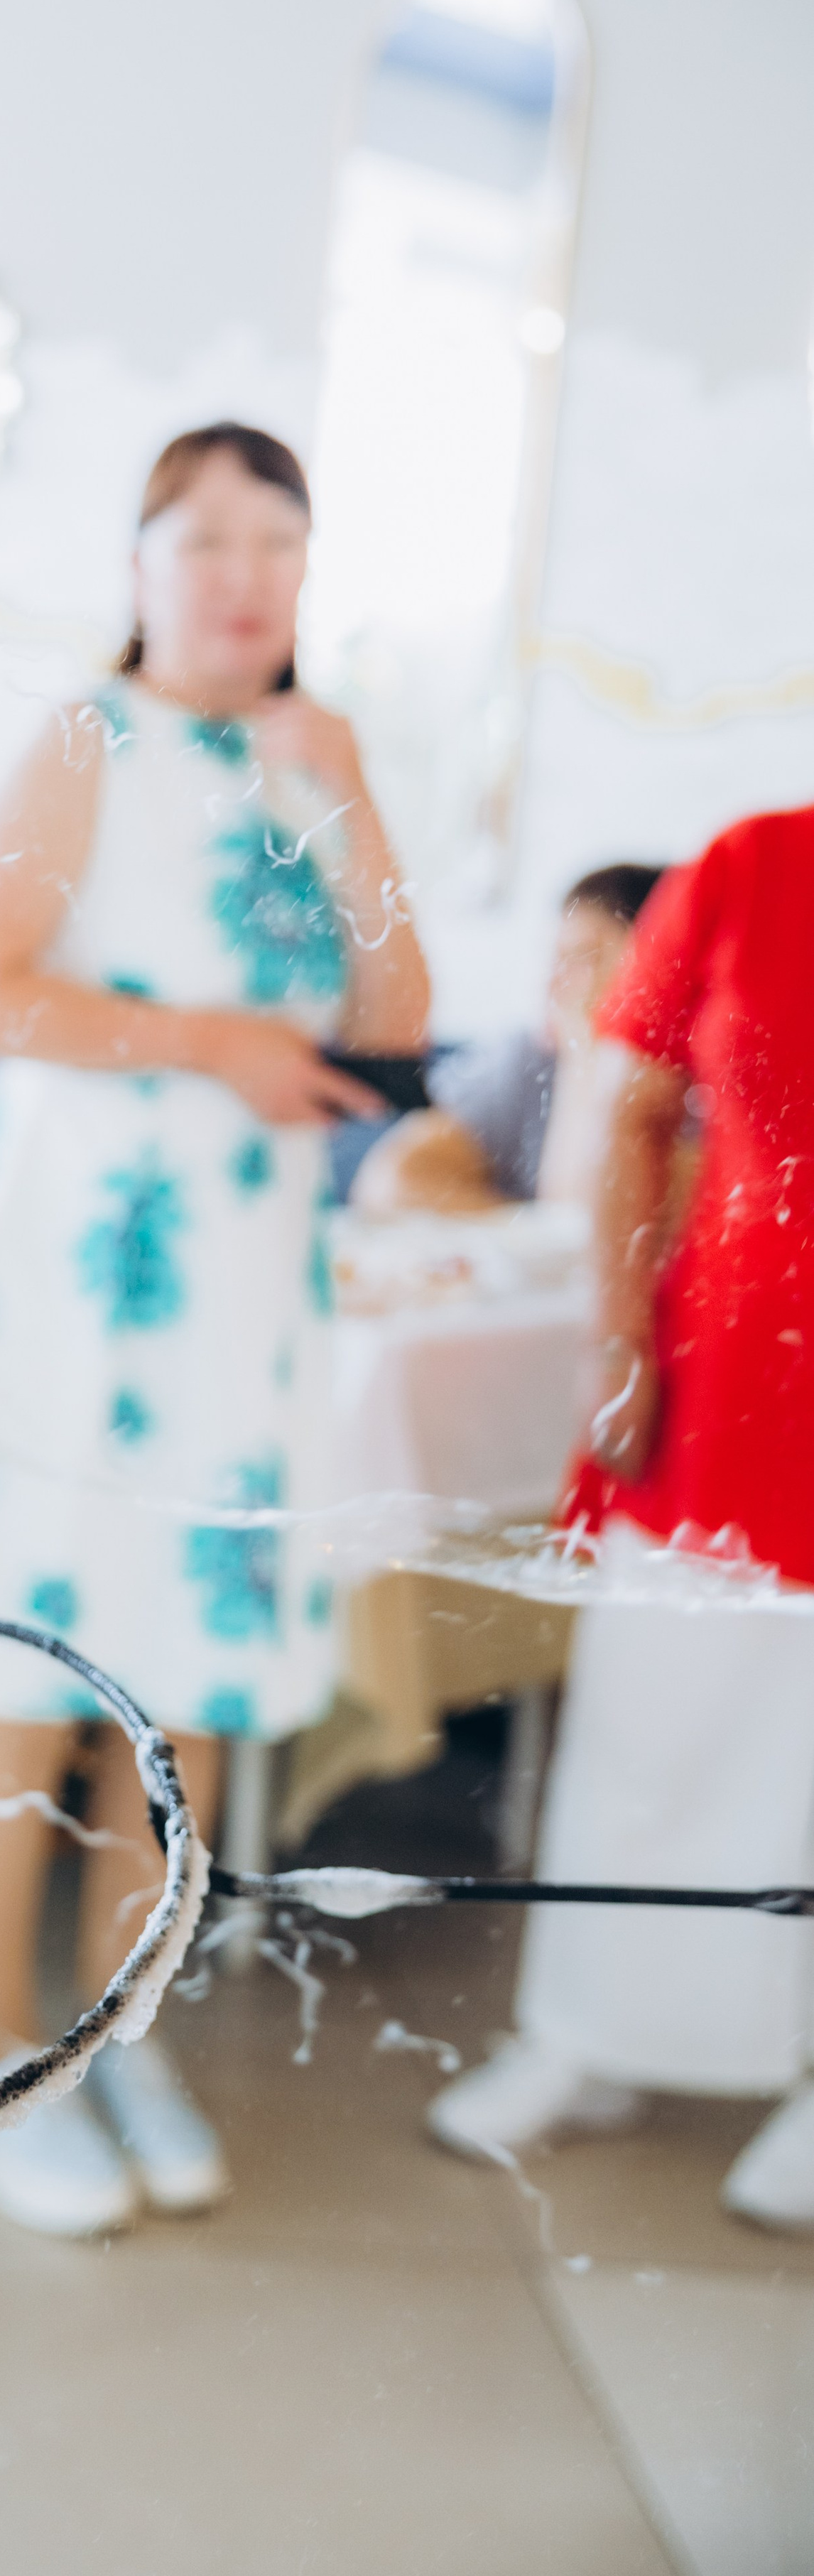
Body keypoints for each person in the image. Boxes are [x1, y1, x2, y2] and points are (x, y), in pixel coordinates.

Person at [0, 423, 430, 2238]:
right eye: (204, 534)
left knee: (192, 1692)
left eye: (277, 540)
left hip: (241, 1304)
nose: (241, 573)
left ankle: (122, 2031)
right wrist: (215, 1041)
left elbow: (393, 1012)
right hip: (74, 1290)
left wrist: (347, 787)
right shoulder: (88, 736)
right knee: (28, 1687)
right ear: (137, 561)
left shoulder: (310, 758)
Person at [426, 808, 814, 2229]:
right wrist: (615, 1342)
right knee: (656, 1711)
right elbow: (626, 1104)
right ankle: (586, 2038)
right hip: (726, 1359)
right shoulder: (752, 867)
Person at [349, 863, 663, 1216]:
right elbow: (388, 1184)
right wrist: (522, 1243)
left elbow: (585, 1221)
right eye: (557, 959)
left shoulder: (695, 1094)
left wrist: (587, 1055)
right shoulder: (526, 1060)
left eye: (583, 959)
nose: (554, 985)